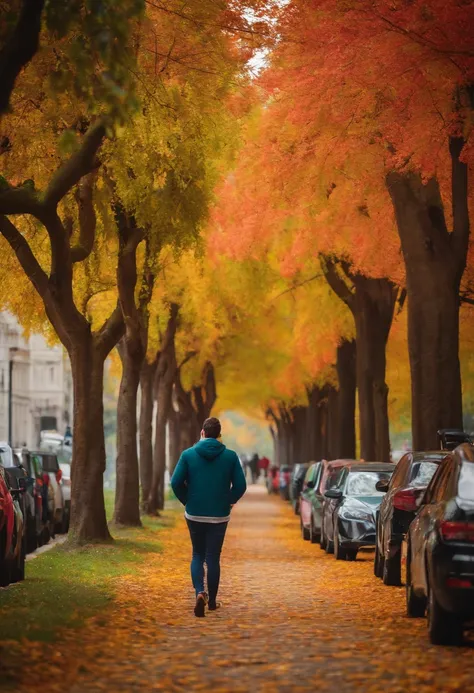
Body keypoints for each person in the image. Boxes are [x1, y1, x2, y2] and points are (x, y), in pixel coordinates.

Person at [171, 417, 247, 618]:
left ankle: (199, 593)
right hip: (219, 516)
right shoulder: (230, 456)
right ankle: (212, 602)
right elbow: (241, 486)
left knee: (197, 554)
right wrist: (228, 501)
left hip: (194, 513)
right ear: (219, 436)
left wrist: (187, 500)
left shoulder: (187, 455)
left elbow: (175, 482)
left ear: (202, 433)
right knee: (213, 557)